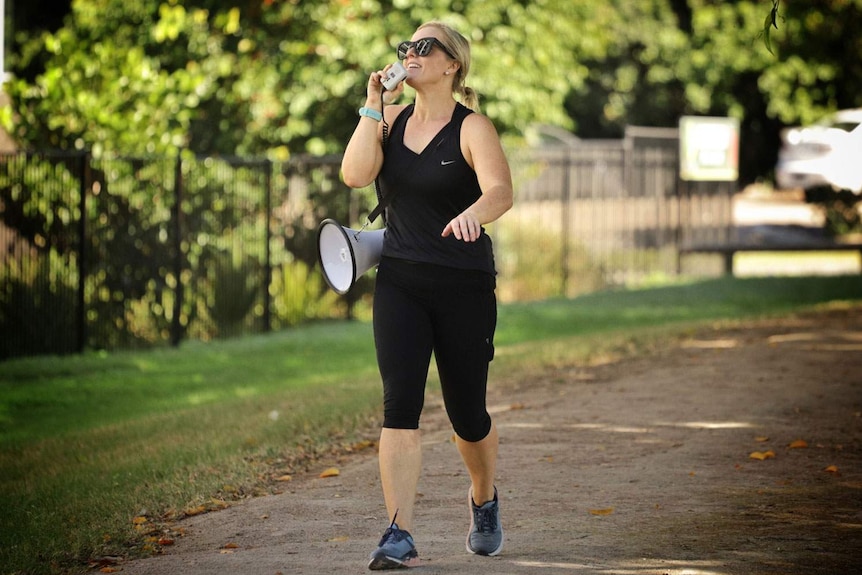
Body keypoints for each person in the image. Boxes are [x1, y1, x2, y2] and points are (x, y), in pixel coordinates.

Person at [341, 20, 514, 571]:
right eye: (405, 47)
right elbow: (354, 174)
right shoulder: (388, 120)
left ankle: (483, 498)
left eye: (424, 47)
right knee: (400, 408)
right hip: (401, 281)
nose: (410, 54)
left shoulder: (472, 127)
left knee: (468, 413)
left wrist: (472, 213)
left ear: (451, 64)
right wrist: (373, 104)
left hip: (464, 285)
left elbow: (501, 191)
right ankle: (398, 531)